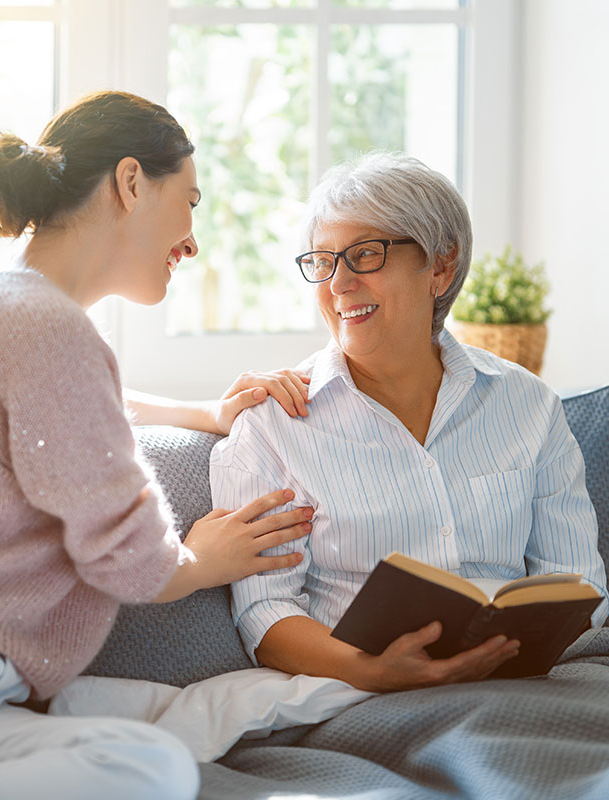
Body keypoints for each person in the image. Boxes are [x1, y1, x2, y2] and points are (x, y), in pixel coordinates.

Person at [0, 91, 314, 800]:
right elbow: (132, 563)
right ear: (131, 182)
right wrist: (204, 560)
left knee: (154, 767)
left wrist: (202, 411)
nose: (193, 240)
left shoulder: (21, 312)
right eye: (191, 203)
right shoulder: (39, 324)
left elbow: (84, 410)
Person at [210, 152, 608, 694]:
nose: (339, 283)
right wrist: (369, 672)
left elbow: (578, 583)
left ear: (440, 269)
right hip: (362, 696)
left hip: (523, 683)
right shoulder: (273, 427)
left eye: (365, 255)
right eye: (323, 262)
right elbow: (265, 613)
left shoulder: (528, 405)